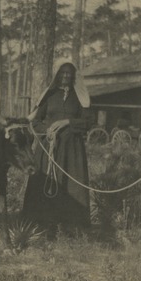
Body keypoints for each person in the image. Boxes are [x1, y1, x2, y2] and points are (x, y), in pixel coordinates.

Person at [22, 58, 94, 238]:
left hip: (72, 150)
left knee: (71, 186)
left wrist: (67, 121)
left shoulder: (80, 97)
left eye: (69, 75)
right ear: (58, 76)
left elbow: (88, 122)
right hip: (49, 148)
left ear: (73, 78)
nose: (65, 78)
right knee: (45, 183)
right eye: (62, 74)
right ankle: (43, 226)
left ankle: (71, 228)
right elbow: (36, 121)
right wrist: (46, 130)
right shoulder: (49, 95)